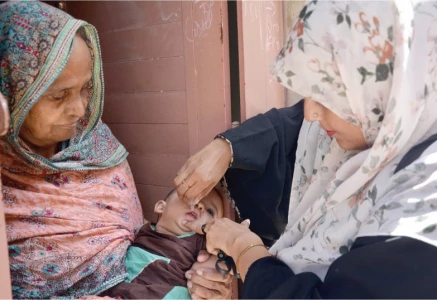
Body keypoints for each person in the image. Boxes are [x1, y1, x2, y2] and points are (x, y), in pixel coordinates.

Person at [176, 0, 437, 298]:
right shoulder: (361, 125)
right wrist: (225, 148)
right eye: (309, 92)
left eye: (328, 97)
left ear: (393, 89)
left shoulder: (422, 209)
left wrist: (245, 252)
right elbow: (291, 126)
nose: (311, 113)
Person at [0, 2, 231, 299]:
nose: (80, 109)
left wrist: (204, 271)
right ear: (11, 91)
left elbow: (144, 247)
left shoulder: (96, 145)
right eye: (59, 96)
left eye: (86, 88)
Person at [102, 188, 224, 299]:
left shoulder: (201, 243)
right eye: (190, 197)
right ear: (161, 207)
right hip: (119, 291)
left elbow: (216, 266)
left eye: (210, 211)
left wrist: (213, 262)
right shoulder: (140, 228)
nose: (200, 205)